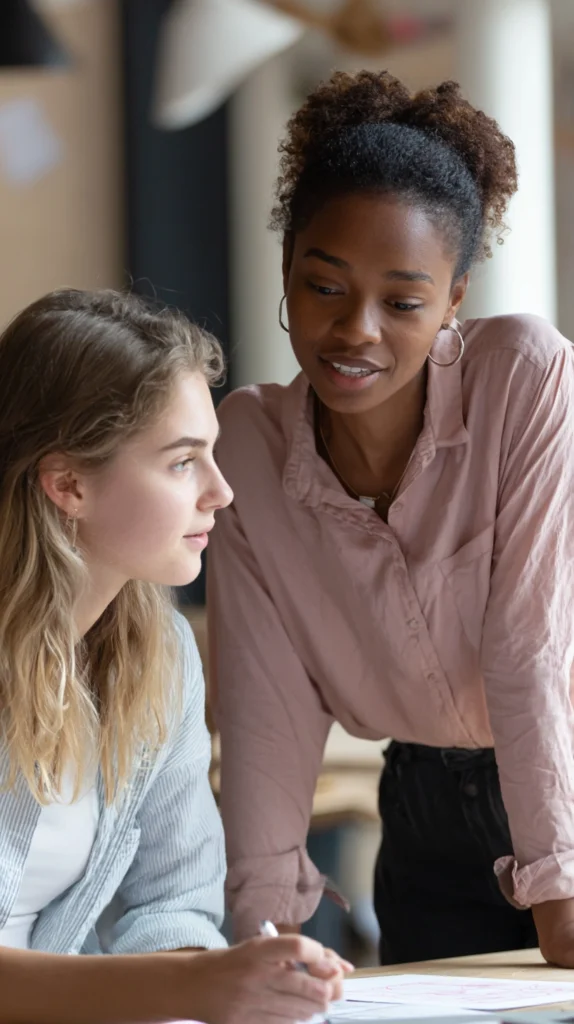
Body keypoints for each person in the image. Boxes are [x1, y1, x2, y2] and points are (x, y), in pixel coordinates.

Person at [208, 69, 574, 968]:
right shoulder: (246, 442)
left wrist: (560, 884)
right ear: (287, 269)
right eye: (323, 287)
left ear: (454, 301)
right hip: (422, 813)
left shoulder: (523, 376)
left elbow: (529, 648)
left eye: (403, 302)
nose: (355, 330)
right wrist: (261, 930)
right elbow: (264, 699)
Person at [0, 288, 348, 1024]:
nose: (221, 492)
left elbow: (172, 906)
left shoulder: (159, 661)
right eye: (183, 462)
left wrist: (238, 978)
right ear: (68, 484)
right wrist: (189, 988)